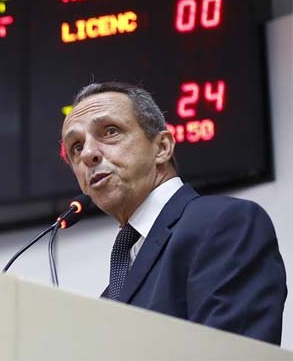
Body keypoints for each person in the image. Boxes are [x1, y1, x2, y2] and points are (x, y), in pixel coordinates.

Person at [61, 81, 286, 345]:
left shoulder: (224, 224)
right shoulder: (112, 293)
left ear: (162, 147)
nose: (88, 153)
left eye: (110, 131)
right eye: (76, 147)